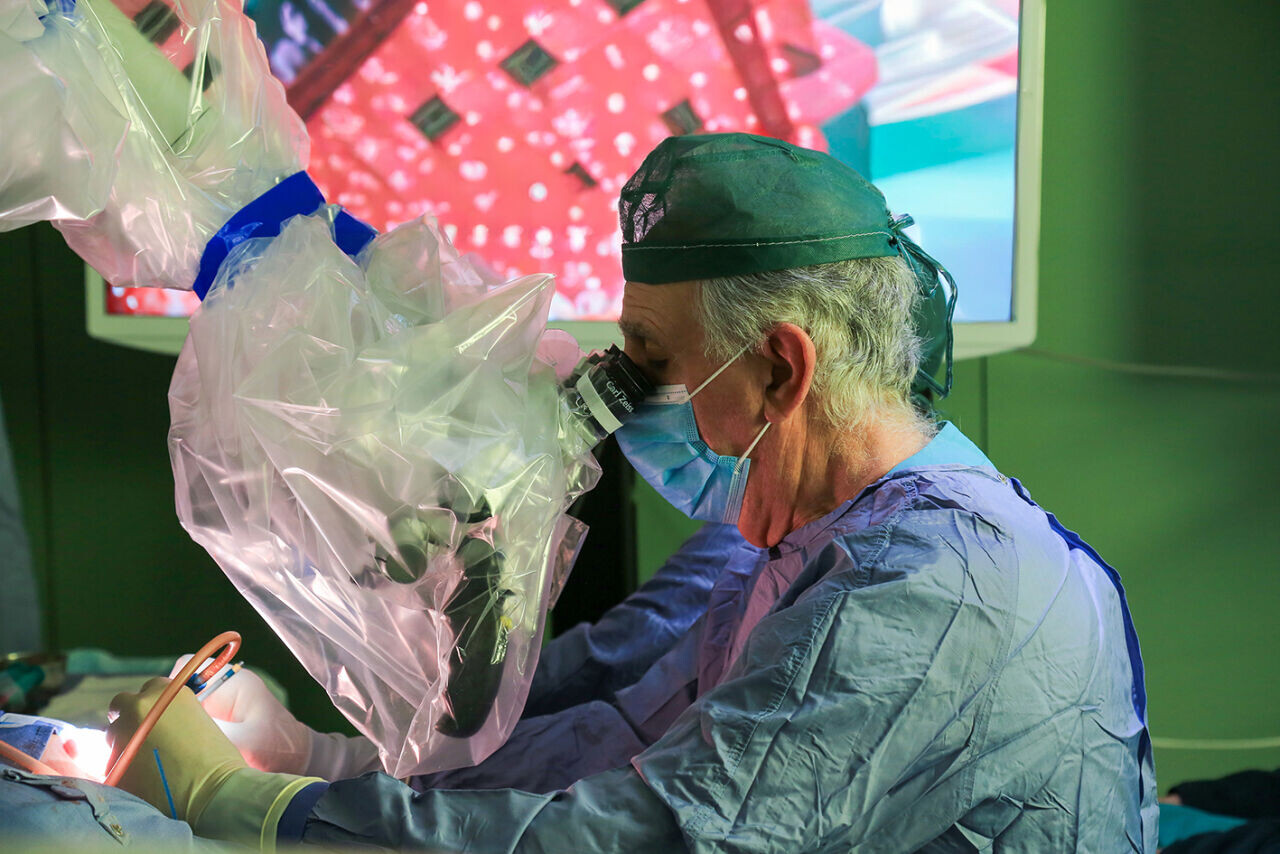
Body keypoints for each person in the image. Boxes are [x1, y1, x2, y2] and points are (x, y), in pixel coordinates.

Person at [107, 133, 1158, 851]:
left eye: (652, 359)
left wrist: (249, 806)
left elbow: (654, 833)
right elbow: (602, 726)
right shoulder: (769, 539)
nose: (620, 397)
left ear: (780, 369)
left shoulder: (935, 583)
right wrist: (313, 759)